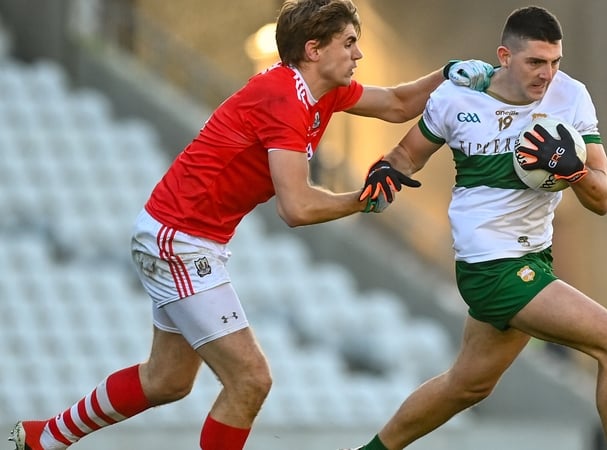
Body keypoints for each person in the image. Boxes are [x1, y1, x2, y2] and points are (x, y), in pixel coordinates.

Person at [7, 1, 494, 449]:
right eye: (349, 43)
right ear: (314, 49)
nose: (359, 54)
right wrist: (362, 201)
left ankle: (39, 438)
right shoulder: (284, 99)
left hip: (182, 236)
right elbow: (296, 208)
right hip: (180, 240)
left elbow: (398, 104)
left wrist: (447, 74)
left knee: (166, 381)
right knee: (250, 379)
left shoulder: (320, 92)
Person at [347, 5, 607, 450]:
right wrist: (386, 170)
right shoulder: (456, 98)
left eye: (554, 61)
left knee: (467, 386)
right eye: (535, 62)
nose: (547, 74)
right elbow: (406, 155)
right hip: (489, 264)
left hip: (533, 257)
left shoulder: (571, 96)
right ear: (505, 56)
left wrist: (573, 171)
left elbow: (603, 199)